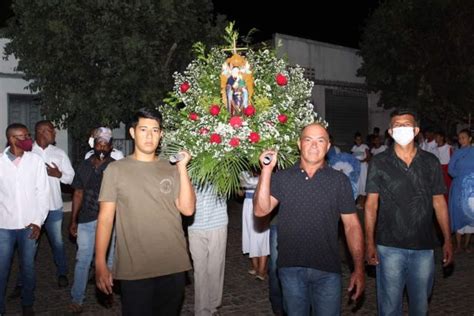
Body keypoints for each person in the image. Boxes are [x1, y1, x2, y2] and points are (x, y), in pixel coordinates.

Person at [254, 123, 365, 315]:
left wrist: (359, 268)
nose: (314, 145)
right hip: (291, 267)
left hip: (328, 270)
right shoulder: (283, 177)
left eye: (320, 140)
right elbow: (261, 210)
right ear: (299, 144)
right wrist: (266, 170)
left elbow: (352, 226)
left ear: (328, 146)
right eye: (308, 140)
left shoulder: (339, 181)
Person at [95, 108, 195, 316]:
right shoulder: (116, 169)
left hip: (173, 264)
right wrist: (100, 262)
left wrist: (183, 168)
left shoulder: (171, 167)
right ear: (132, 132)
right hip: (135, 268)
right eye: (143, 129)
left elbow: (187, 209)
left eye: (155, 130)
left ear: (161, 134)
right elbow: (105, 218)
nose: (149, 136)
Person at [365, 109, 454, 315]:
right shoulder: (379, 162)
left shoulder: (430, 162)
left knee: (420, 306)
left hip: (423, 247)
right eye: (397, 125)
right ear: (390, 131)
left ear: (416, 131)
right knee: (389, 307)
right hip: (389, 246)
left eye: (406, 125)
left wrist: (447, 240)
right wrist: (369, 242)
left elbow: (439, 202)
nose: (402, 129)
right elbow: (371, 205)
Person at [0, 123, 50, 316]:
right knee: (2, 270)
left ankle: (27, 304)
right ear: (12, 139)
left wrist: (38, 222)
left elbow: (43, 193)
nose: (29, 139)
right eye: (24, 136)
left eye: (28, 135)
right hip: (4, 225)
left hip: (29, 225)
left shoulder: (35, 161)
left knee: (27, 268)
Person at [68, 127, 116, 313]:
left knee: (108, 260)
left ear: (111, 147)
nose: (102, 148)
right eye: (99, 144)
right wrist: (73, 220)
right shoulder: (84, 165)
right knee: (83, 259)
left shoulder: (115, 167)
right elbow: (78, 193)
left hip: (109, 220)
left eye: (105, 145)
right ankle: (77, 298)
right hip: (86, 219)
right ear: (94, 145)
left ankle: (107, 294)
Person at [32, 120, 75, 287]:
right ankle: (23, 280)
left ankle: (62, 272)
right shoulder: (28, 153)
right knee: (29, 247)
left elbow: (71, 177)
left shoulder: (59, 153)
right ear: (42, 131)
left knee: (57, 243)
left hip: (53, 208)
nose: (54, 134)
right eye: (52, 131)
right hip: (32, 209)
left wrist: (59, 175)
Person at [188, 185, 228, 316]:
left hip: (217, 222)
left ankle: (213, 306)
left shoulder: (221, 166)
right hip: (195, 224)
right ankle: (202, 311)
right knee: (200, 270)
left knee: (215, 267)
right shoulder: (187, 168)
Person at [448, 129, 474, 253]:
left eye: (464, 137)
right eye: (459, 138)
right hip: (459, 186)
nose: (461, 140)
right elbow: (450, 169)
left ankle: (467, 244)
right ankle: (458, 245)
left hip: (472, 188)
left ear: (470, 138)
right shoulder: (456, 153)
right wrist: (461, 176)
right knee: (458, 213)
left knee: (470, 214)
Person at [240, 171, 269, 281]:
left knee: (261, 236)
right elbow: (240, 193)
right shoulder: (244, 173)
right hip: (247, 204)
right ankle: (255, 267)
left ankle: (261, 270)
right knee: (249, 234)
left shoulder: (265, 170)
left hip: (261, 202)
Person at [351, 132, 370, 209]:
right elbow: (351, 158)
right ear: (355, 140)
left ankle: (363, 203)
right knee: (357, 184)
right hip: (356, 167)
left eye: (360, 139)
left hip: (363, 167)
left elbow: (368, 157)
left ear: (361, 140)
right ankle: (358, 203)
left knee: (363, 183)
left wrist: (362, 161)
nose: (358, 140)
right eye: (357, 139)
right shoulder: (354, 148)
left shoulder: (364, 146)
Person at [434, 130, 453, 202]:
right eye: (435, 137)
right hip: (437, 173)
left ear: (442, 138)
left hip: (446, 174)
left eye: (437, 137)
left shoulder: (449, 148)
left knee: (447, 192)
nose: (435, 138)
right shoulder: (434, 149)